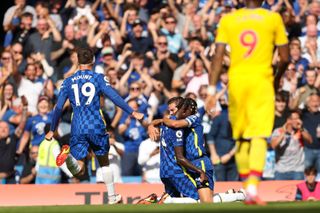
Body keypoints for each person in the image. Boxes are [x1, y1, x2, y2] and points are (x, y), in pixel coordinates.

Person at [205, 0, 289, 205]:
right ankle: (252, 187)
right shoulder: (272, 18)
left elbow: (217, 56)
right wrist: (276, 79)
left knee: (241, 137)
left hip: (237, 84)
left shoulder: (228, 19)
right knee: (259, 135)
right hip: (262, 83)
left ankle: (246, 187)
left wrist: (211, 90)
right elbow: (285, 58)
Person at [45, 47, 143, 204]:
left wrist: (52, 129)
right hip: (96, 124)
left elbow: (58, 108)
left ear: (77, 61)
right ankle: (112, 197)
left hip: (77, 127)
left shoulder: (68, 81)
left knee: (79, 170)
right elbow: (114, 96)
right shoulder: (98, 78)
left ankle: (69, 157)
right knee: (103, 161)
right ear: (92, 61)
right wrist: (132, 112)